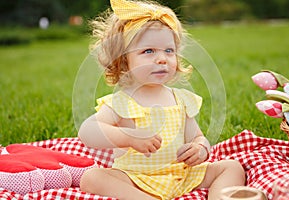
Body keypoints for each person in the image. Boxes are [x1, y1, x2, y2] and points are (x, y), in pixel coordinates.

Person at [78, 0, 245, 199]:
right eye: (148, 51)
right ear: (124, 61)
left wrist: (201, 149)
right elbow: (87, 132)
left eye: (169, 51)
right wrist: (128, 137)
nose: (162, 59)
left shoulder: (181, 99)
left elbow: (197, 137)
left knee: (231, 167)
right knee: (92, 178)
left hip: (181, 175)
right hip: (136, 179)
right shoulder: (121, 102)